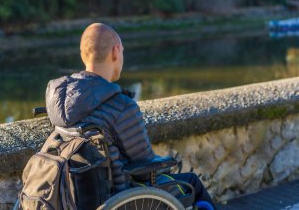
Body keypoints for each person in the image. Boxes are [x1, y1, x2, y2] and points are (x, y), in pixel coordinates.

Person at [45, 23, 216, 209]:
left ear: (82, 54)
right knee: (191, 182)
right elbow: (144, 167)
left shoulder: (55, 96)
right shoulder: (120, 105)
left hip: (73, 195)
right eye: (122, 52)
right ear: (116, 52)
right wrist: (165, 164)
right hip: (120, 197)